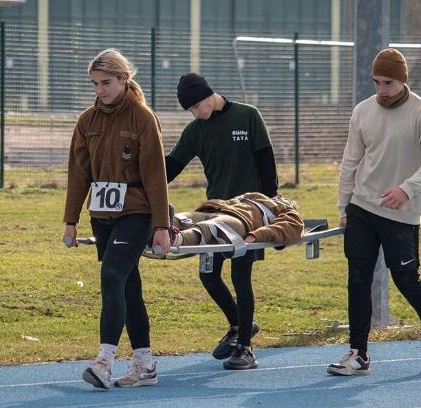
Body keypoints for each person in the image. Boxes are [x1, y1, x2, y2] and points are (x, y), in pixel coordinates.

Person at [330, 48, 421, 376]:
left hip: (401, 212)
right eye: (376, 82)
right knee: (358, 279)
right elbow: (351, 162)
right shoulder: (362, 111)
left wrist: (407, 189)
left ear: (402, 81)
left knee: (406, 279)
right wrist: (344, 206)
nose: (381, 89)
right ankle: (358, 354)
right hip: (362, 208)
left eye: (387, 83)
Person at [62, 49, 171, 389]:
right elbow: (78, 174)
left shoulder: (141, 117)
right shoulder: (87, 121)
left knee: (111, 275)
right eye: (94, 84)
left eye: (106, 83)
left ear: (124, 79)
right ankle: (145, 364)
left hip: (135, 212)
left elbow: (156, 174)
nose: (100, 90)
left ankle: (104, 362)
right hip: (102, 215)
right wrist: (71, 220)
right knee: (128, 287)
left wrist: (161, 226)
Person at [165, 73, 279, 369]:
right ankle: (240, 325)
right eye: (190, 111)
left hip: (251, 213)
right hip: (216, 214)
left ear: (206, 97)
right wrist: (142, 178)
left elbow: (268, 165)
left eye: (195, 108)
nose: (195, 114)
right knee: (208, 275)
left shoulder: (248, 116)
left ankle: (245, 348)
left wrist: (272, 209)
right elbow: (171, 167)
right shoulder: (195, 130)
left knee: (241, 275)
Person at [172, 192, 303, 249]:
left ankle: (176, 239)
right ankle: (160, 226)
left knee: (209, 228)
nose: (280, 195)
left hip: (240, 221)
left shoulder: (287, 210)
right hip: (217, 210)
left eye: (284, 198)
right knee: (182, 217)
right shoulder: (255, 196)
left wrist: (256, 235)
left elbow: (286, 228)